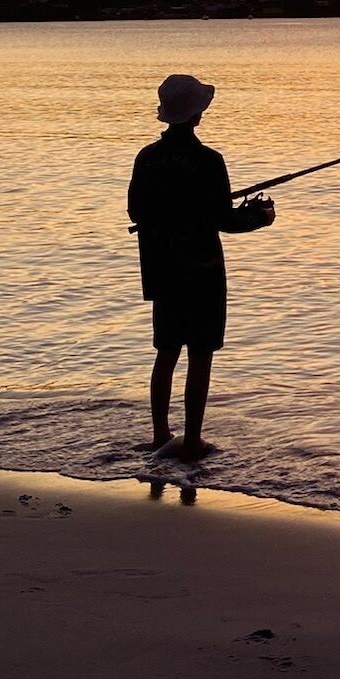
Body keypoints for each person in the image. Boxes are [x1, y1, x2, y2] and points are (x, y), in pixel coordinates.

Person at [127, 73, 275, 460]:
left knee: (166, 353)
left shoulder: (147, 157)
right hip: (203, 272)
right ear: (196, 115)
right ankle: (192, 440)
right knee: (200, 355)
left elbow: (136, 211)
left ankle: (160, 435)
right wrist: (260, 217)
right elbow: (224, 220)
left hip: (162, 270)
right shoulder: (209, 160)